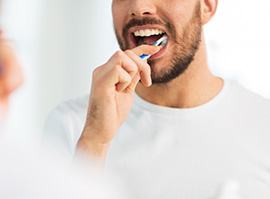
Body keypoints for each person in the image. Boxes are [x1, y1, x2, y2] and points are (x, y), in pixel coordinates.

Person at [44, 0, 270, 198]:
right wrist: (94, 143)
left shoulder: (263, 126)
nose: (139, 7)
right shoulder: (73, 126)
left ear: (207, 6)